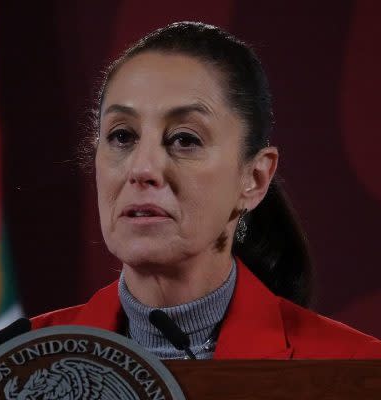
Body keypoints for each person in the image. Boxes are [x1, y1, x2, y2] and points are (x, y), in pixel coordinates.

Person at [31, 22, 381, 359]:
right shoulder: (19, 364)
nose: (142, 169)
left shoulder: (353, 368)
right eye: (122, 136)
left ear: (255, 179)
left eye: (185, 139)